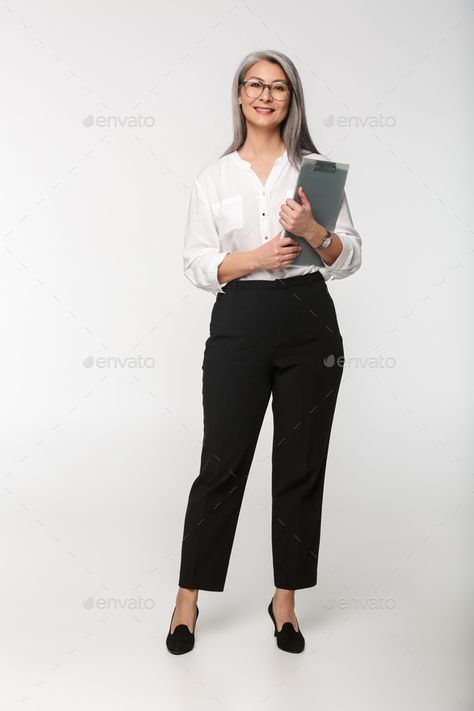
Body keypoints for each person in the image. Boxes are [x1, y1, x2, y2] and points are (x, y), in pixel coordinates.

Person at [166, 49, 362, 655]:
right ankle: (187, 599)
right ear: (240, 95)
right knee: (222, 461)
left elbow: (350, 256)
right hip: (241, 317)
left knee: (300, 464)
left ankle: (285, 602)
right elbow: (197, 262)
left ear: (291, 98)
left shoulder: (316, 171)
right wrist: (253, 259)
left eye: (278, 86)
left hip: (308, 317)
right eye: (255, 84)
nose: (266, 95)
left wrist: (311, 233)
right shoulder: (214, 177)